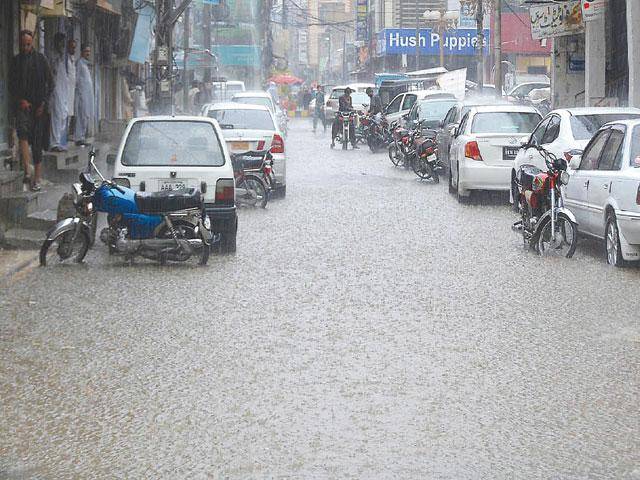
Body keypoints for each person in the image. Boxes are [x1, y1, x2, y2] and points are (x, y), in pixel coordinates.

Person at [9, 30, 54, 191]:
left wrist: (43, 103)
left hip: (39, 108)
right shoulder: (15, 61)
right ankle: (27, 171)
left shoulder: (41, 60)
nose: (25, 47)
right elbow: (12, 86)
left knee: (37, 144)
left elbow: (51, 84)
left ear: (32, 43)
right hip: (23, 107)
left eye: (28, 44)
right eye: (22, 44)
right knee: (22, 133)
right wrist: (20, 101)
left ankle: (37, 179)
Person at [49, 32, 70, 152]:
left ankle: (59, 141)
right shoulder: (53, 57)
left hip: (63, 91)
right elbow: (52, 73)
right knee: (56, 116)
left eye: (63, 43)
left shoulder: (62, 57)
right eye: (61, 43)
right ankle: (54, 143)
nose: (63, 45)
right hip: (56, 90)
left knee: (63, 115)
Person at [74, 44, 94, 146]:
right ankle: (79, 138)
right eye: (86, 51)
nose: (88, 53)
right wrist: (80, 93)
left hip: (87, 95)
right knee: (82, 115)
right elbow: (76, 79)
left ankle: (82, 137)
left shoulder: (86, 64)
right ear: (82, 52)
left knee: (86, 115)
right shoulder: (79, 63)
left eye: (89, 51)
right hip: (82, 94)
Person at [65, 38, 77, 143]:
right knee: (64, 114)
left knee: (69, 114)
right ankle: (63, 136)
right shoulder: (65, 60)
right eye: (71, 47)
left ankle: (67, 134)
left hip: (72, 91)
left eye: (74, 47)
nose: (73, 49)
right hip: (65, 91)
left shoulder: (73, 60)